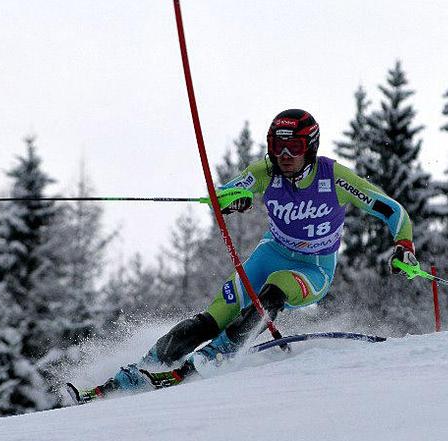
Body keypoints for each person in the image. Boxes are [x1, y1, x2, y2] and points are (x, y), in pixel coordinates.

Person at [67, 109, 417, 403]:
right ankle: (139, 370)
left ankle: (211, 358)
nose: (284, 156)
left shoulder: (334, 177)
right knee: (214, 316)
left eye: (293, 147)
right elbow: (223, 194)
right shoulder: (267, 172)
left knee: (276, 291)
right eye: (277, 147)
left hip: (312, 269)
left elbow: (393, 210)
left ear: (310, 148)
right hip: (270, 254)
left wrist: (404, 246)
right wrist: (235, 199)